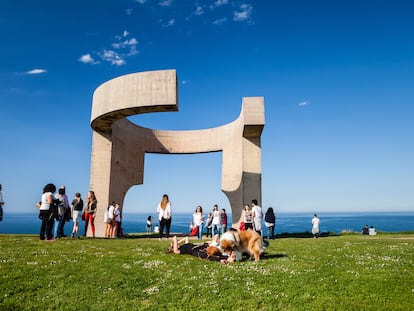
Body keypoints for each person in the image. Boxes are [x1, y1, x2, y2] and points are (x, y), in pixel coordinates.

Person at [168, 235, 237, 264]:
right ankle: (226, 258)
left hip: (196, 248)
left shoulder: (182, 247)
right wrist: (174, 243)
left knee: (208, 253)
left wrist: (176, 242)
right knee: (207, 254)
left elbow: (185, 238)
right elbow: (179, 238)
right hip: (195, 249)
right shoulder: (180, 249)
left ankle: (226, 258)